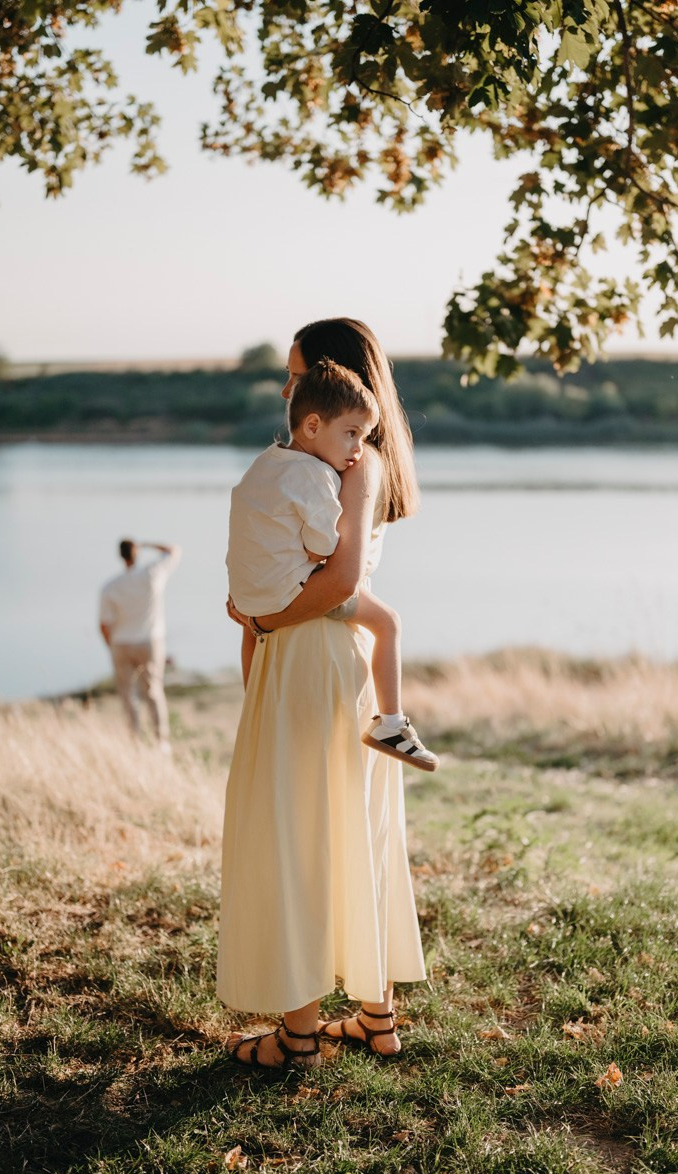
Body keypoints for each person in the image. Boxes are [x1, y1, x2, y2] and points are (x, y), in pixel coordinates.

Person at [218, 317, 428, 1069]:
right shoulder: (342, 459)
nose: (285, 387)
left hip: (313, 651)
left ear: (327, 379)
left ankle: (300, 1035)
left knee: (301, 834)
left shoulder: (350, 460)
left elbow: (340, 582)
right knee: (348, 826)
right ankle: (376, 1018)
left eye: (295, 370)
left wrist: (265, 613)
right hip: (325, 650)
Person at [227, 355, 439, 771]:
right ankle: (392, 723)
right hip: (295, 593)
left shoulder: (265, 463)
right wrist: (318, 551)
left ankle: (256, 707)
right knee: (388, 622)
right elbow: (326, 549)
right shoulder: (318, 476)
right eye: (352, 434)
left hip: (248, 592)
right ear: (312, 426)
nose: (358, 449)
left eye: (362, 436)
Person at [99, 538, 181, 752]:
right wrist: (147, 544)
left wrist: (112, 647)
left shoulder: (110, 587)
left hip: (121, 644)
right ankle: (161, 742)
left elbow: (104, 624)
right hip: (150, 642)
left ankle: (134, 742)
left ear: (121, 556)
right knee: (153, 691)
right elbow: (174, 550)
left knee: (127, 695)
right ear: (136, 553)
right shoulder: (152, 574)